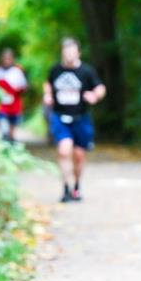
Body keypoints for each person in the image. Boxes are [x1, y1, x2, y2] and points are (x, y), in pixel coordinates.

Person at [43, 38, 106, 203]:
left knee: (79, 155)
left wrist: (95, 95)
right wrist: (47, 95)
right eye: (66, 52)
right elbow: (48, 83)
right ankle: (66, 188)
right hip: (60, 117)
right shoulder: (55, 70)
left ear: (78, 53)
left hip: (81, 118)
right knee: (64, 151)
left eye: (72, 51)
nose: (69, 55)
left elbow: (100, 87)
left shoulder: (86, 71)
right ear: (62, 53)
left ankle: (76, 187)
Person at [0, 48, 28, 143]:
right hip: (1, 106)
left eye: (9, 59)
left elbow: (24, 88)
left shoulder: (17, 71)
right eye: (5, 58)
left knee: (12, 132)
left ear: (12, 59)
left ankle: (11, 143)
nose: (7, 61)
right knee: (3, 129)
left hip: (14, 106)